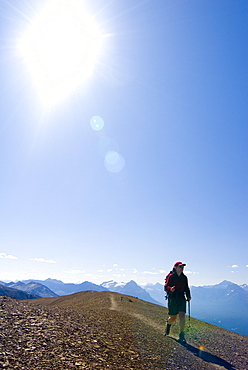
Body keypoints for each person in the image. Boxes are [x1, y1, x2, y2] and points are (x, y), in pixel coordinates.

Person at [164, 261, 191, 343]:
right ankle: (168, 324)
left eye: (183, 267)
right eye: (180, 267)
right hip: (173, 298)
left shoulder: (184, 277)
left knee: (182, 316)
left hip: (181, 298)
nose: (182, 268)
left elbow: (186, 287)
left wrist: (188, 296)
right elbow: (166, 287)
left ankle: (181, 335)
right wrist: (170, 289)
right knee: (173, 317)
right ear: (175, 267)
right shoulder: (171, 277)